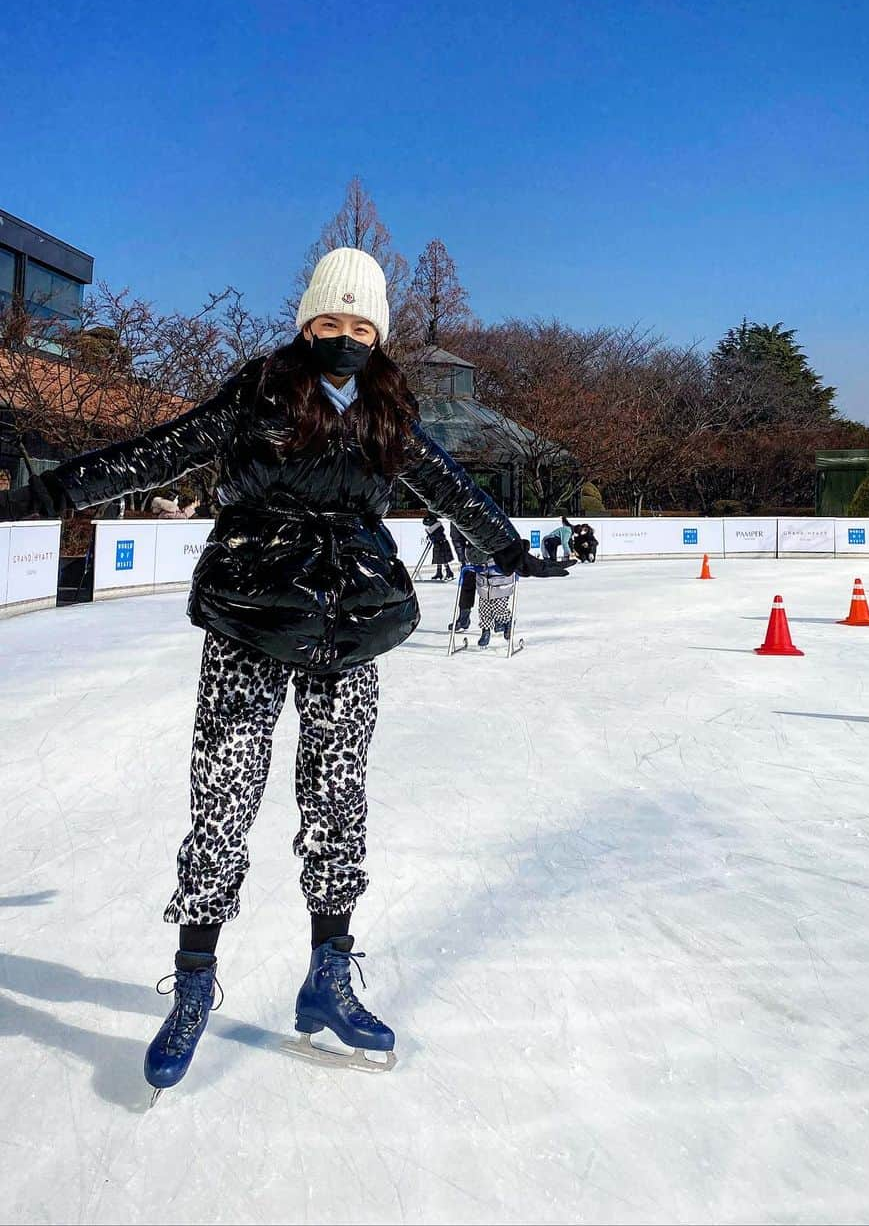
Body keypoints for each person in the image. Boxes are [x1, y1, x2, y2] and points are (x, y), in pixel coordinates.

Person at [0, 246, 567, 1096]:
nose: (345, 338)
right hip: (252, 619)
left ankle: (327, 977)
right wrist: (49, 493)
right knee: (223, 802)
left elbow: (450, 489)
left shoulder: (389, 411)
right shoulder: (259, 391)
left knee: (337, 804)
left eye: (362, 325)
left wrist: (515, 550)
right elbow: (161, 453)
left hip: (349, 628)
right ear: (307, 323)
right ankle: (193, 984)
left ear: (380, 334)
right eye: (330, 323)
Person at [422, 511, 454, 581]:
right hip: (439, 544)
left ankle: (449, 572)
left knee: (443, 559)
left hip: (441, 543)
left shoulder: (436, 528)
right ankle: (439, 572)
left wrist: (429, 534)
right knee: (439, 559)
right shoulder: (436, 526)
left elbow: (436, 537)